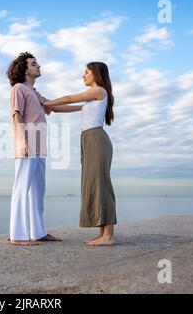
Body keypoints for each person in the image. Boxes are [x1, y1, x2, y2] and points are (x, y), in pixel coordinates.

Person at [6, 52, 81, 246]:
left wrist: (84, 107)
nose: (38, 66)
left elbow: (54, 107)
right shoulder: (18, 88)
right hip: (27, 147)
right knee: (21, 189)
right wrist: (22, 142)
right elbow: (16, 115)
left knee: (38, 192)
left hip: (40, 149)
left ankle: (38, 232)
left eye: (37, 63)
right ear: (24, 69)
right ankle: (18, 235)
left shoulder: (35, 93)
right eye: (33, 63)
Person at [43, 62, 116, 246]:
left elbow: (69, 98)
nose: (83, 75)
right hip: (89, 140)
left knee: (101, 184)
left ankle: (108, 236)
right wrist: (49, 106)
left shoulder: (99, 91)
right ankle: (103, 234)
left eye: (86, 72)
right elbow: (68, 107)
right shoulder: (91, 100)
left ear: (96, 74)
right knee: (94, 184)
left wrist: (46, 102)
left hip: (96, 139)